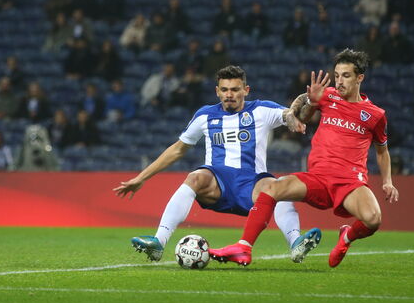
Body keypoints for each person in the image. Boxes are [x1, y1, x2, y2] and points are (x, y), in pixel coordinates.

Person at [113, 65, 322, 264]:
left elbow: (294, 115)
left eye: (234, 89)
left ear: (245, 90)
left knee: (279, 186)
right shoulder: (205, 115)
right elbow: (177, 149)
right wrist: (141, 178)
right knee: (194, 177)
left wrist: (308, 104)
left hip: (252, 187)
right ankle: (159, 242)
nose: (229, 94)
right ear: (217, 91)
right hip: (217, 184)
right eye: (224, 89)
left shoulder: (261, 110)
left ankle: (296, 242)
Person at [210, 50, 399, 268]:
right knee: (272, 188)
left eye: (345, 76)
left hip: (349, 183)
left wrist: (387, 181)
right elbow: (303, 118)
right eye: (337, 75)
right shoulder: (327, 96)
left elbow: (382, 151)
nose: (339, 81)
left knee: (373, 219)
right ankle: (243, 247)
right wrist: (311, 100)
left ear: (360, 78)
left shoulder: (375, 115)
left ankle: (346, 237)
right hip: (317, 178)